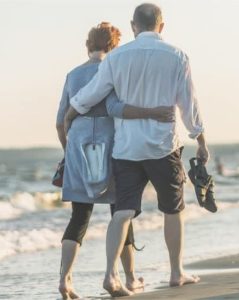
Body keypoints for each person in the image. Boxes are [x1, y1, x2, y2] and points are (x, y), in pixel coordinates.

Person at [67, 3, 210, 296]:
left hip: (126, 148)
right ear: (162, 26)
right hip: (162, 146)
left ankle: (110, 275)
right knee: (173, 209)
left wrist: (72, 111)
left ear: (133, 26)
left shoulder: (116, 57)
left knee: (122, 212)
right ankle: (176, 272)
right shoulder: (177, 56)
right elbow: (188, 103)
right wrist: (200, 138)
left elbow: (94, 92)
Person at [56, 22, 175, 299]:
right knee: (121, 213)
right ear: (114, 46)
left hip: (78, 145)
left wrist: (68, 152)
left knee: (79, 215)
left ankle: (65, 280)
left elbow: (60, 121)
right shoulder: (115, 70)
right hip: (112, 144)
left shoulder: (72, 75)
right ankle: (130, 278)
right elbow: (116, 108)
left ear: (89, 45)